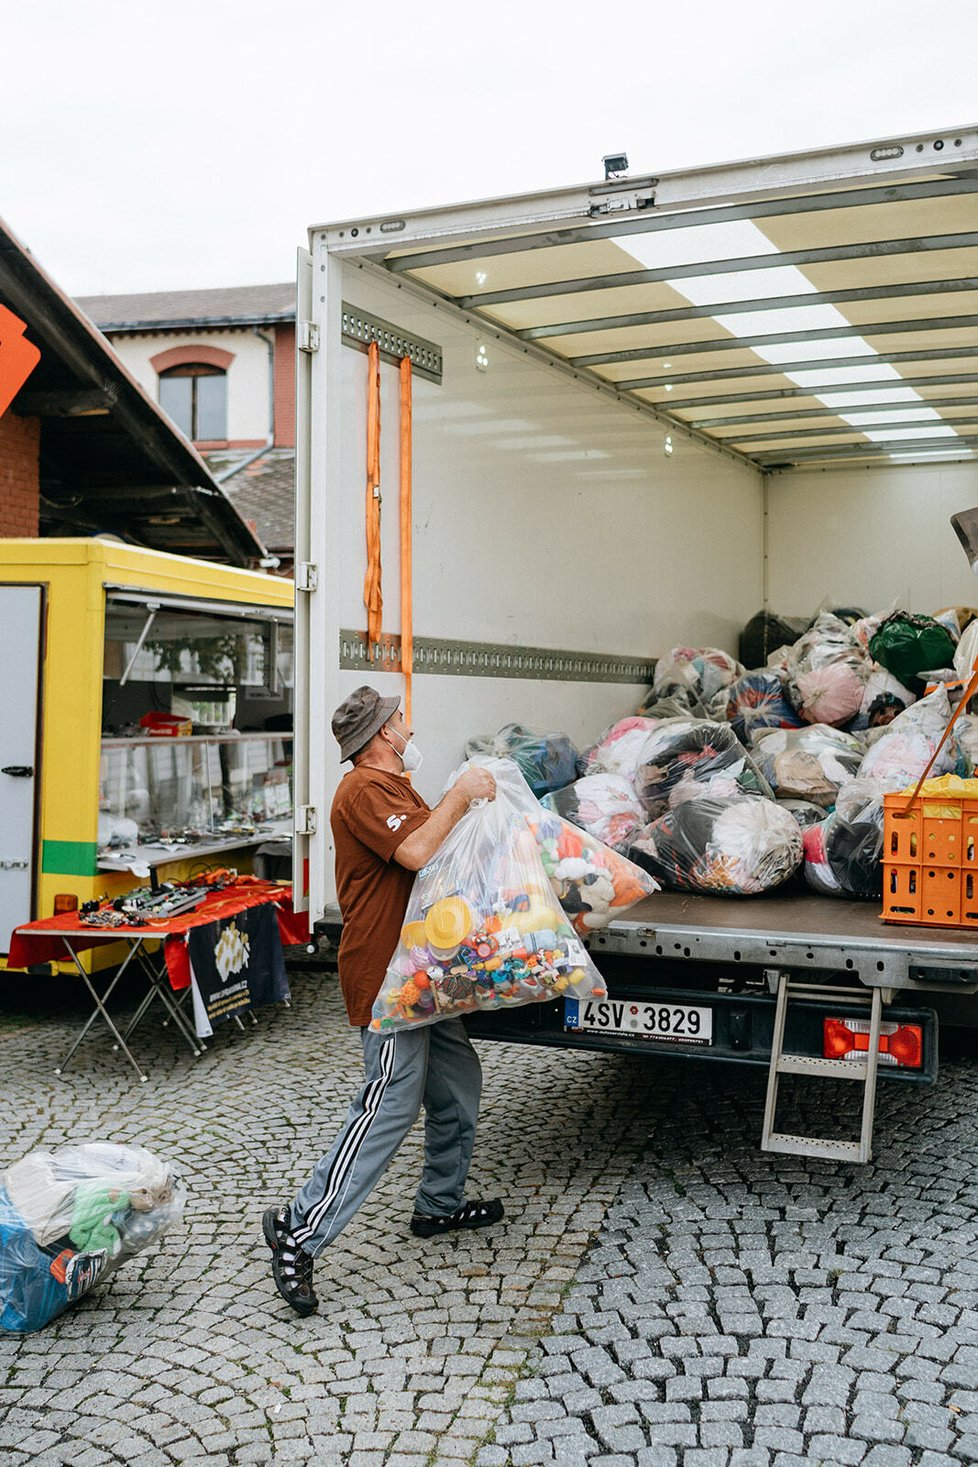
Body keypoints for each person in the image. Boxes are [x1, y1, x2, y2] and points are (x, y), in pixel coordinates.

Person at [263, 685, 502, 1315]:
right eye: (399, 719)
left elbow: (435, 857)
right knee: (389, 1103)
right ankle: (299, 1228)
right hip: (386, 974)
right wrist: (460, 793)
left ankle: (439, 1205)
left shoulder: (396, 789)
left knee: (455, 1082)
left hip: (423, 971)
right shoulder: (363, 791)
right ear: (381, 736)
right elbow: (418, 849)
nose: (408, 725)